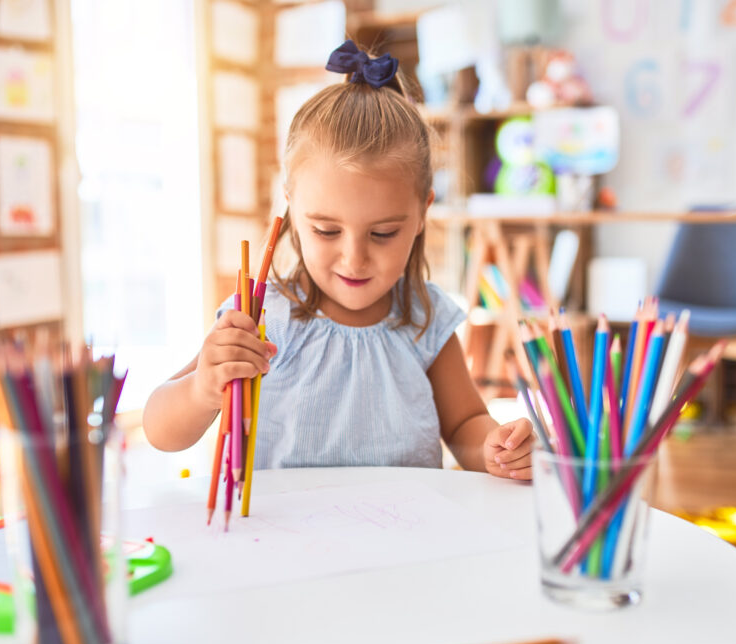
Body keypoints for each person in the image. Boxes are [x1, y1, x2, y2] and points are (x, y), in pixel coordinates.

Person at [143, 40, 534, 480]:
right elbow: (160, 430)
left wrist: (494, 447)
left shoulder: (425, 318)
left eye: (383, 233)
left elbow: (464, 425)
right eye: (326, 230)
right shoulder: (262, 315)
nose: (354, 257)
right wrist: (201, 391)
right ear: (291, 206)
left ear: (423, 212)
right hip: (285, 543)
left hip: (407, 542)